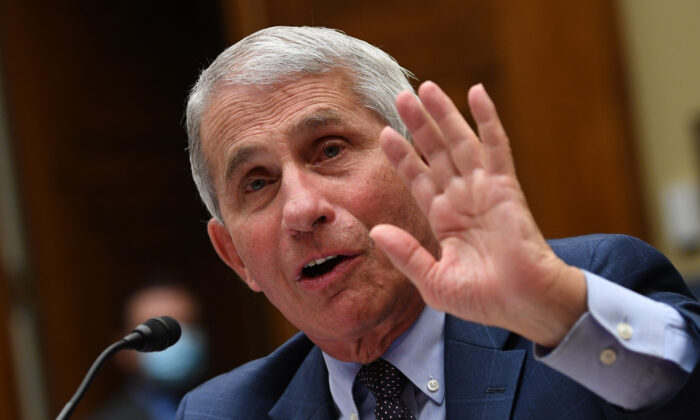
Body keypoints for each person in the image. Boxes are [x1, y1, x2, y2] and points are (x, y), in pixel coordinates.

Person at [176, 26, 700, 419]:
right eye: (258, 183)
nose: (300, 209)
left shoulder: (586, 290)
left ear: (420, 160)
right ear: (235, 256)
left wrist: (559, 312)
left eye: (329, 149)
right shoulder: (219, 412)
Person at [88, 283, 208, 420]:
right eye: (158, 332)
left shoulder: (230, 406)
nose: (177, 342)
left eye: (187, 325)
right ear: (124, 349)